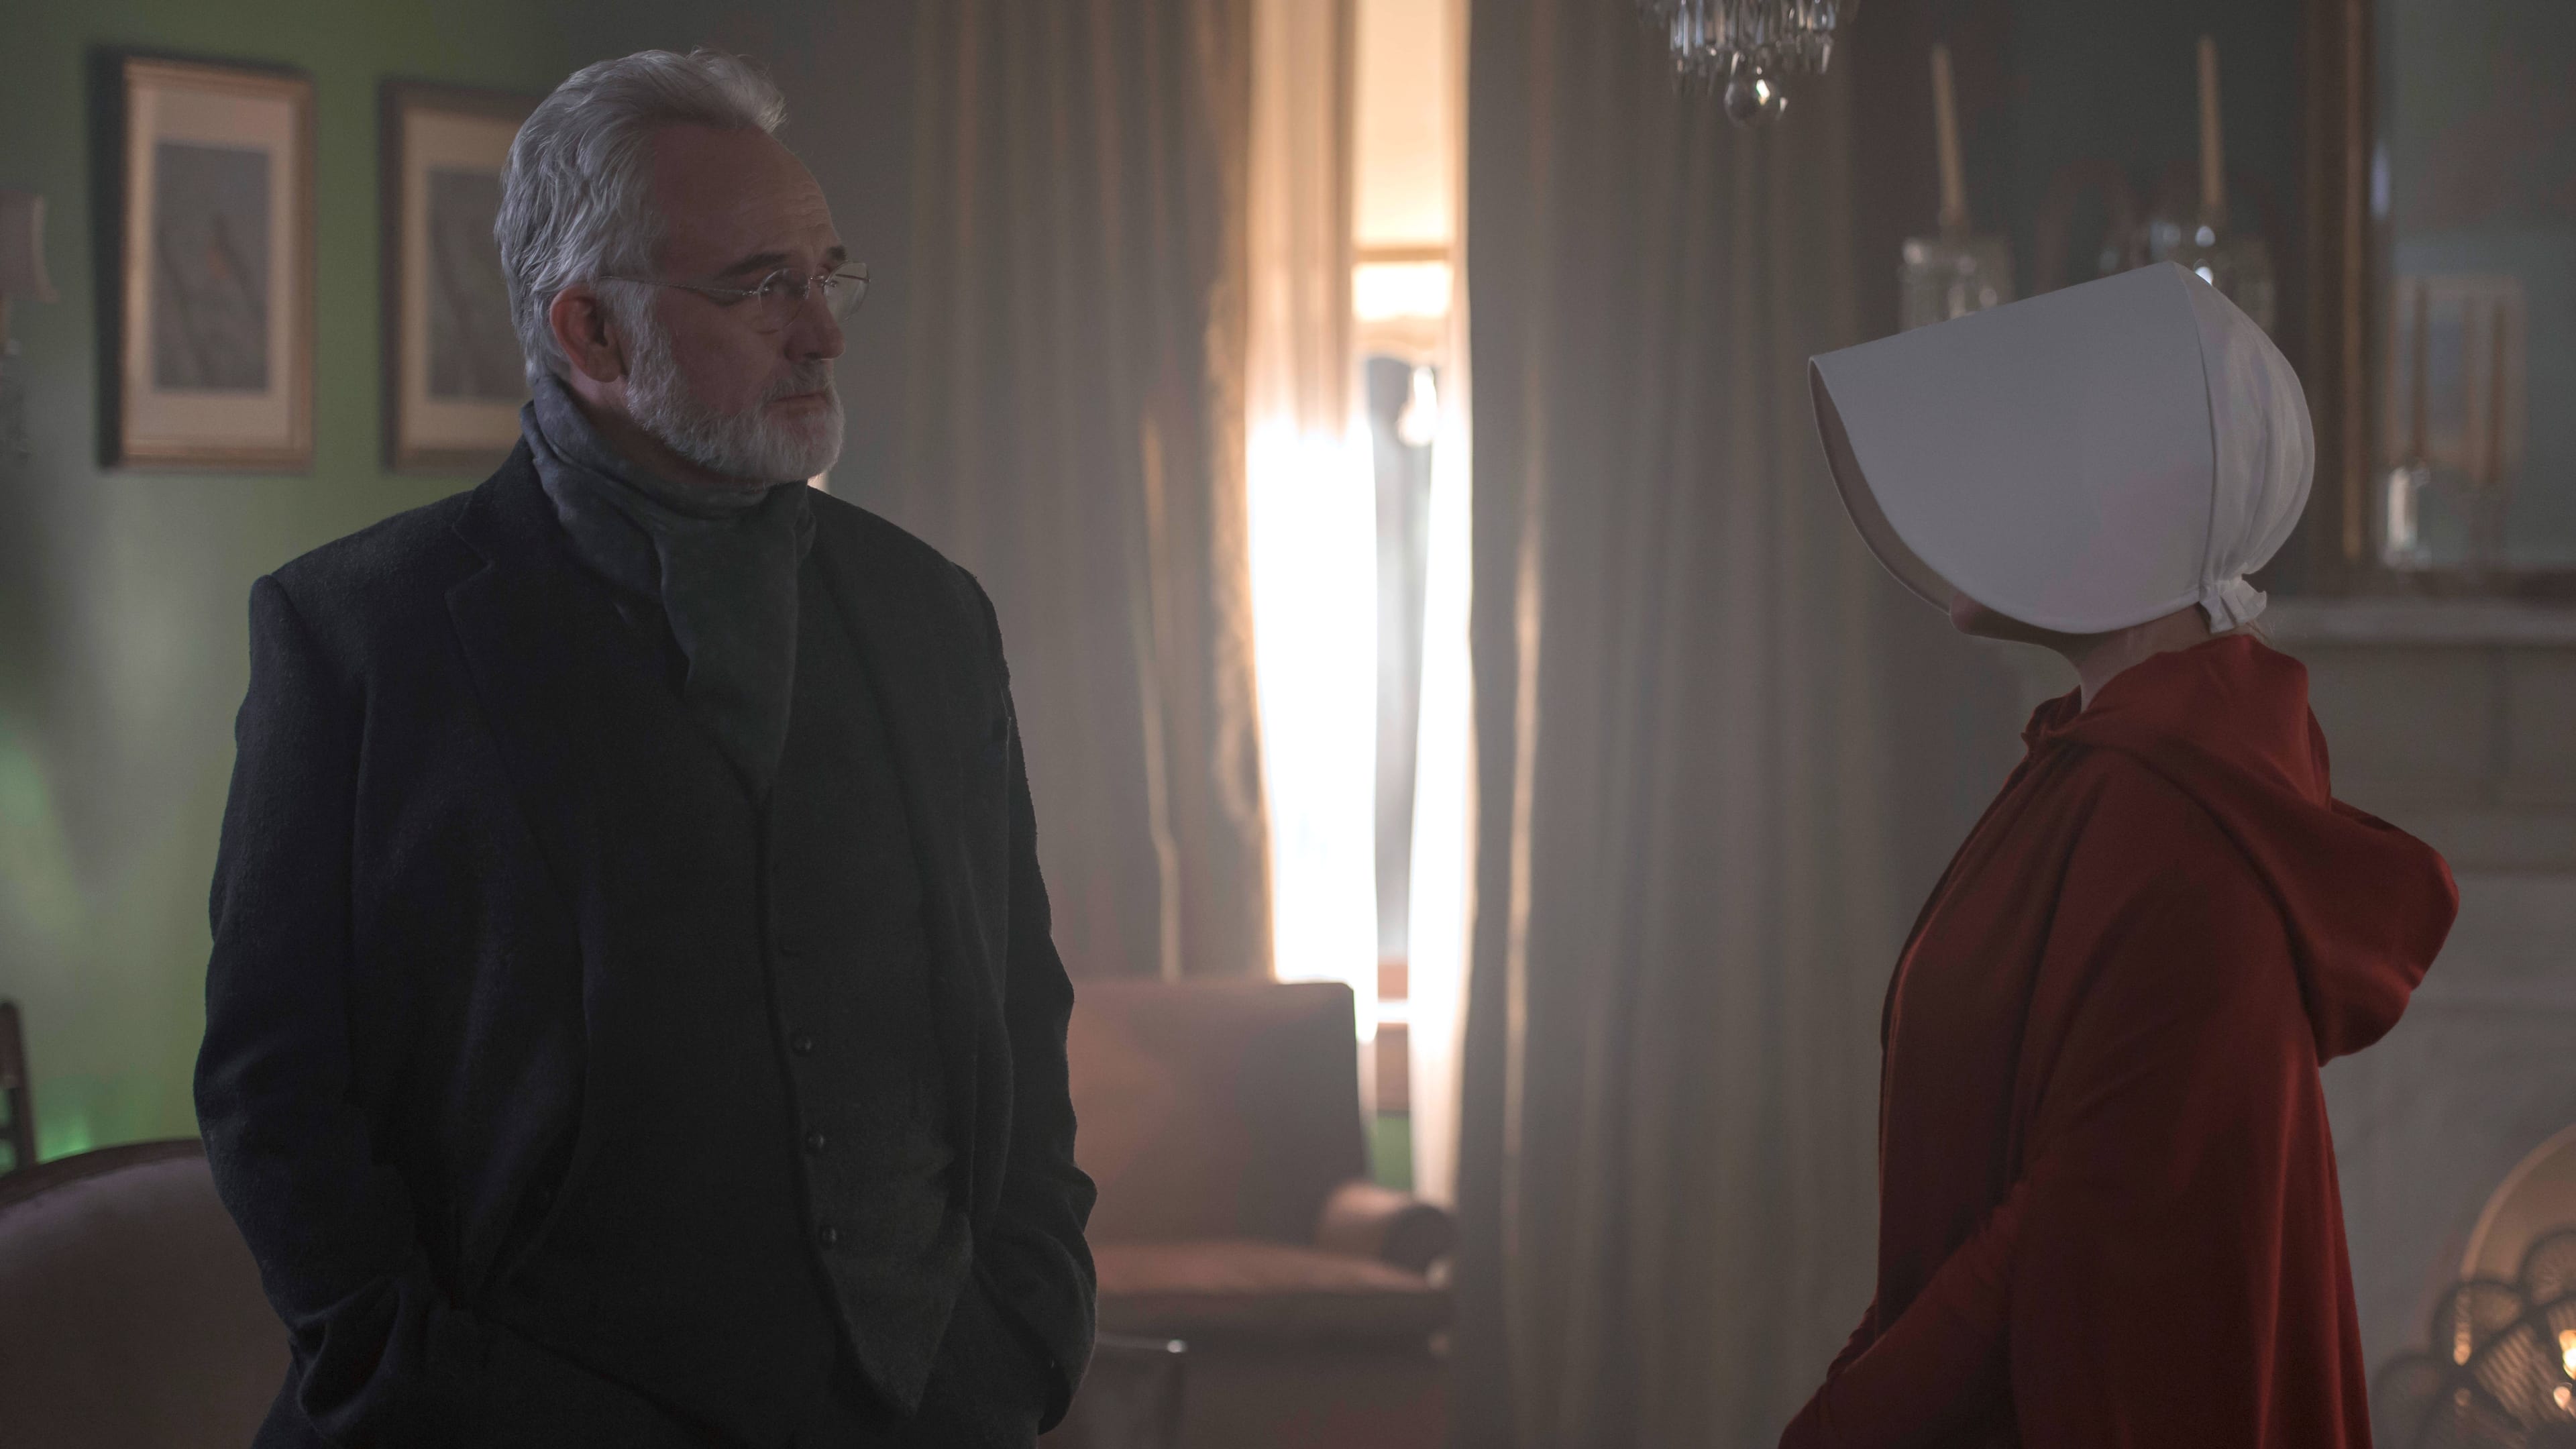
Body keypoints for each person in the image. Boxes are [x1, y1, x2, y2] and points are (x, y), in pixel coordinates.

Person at [195, 50, 1093, 1448]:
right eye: (762, 286)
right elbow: (274, 1095)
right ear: (593, 334)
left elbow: (1018, 1007)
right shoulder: (359, 638)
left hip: (926, 1407)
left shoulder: (931, 616)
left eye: (827, 275)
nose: (823, 332)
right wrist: (420, 1383)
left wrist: (1028, 1329)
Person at [1782, 263, 2459, 1447]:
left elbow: (2078, 1238)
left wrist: (1844, 1424)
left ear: (2132, 515)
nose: (1982, 494)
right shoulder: (2123, 764)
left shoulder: (2173, 815)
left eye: (2035, 460)